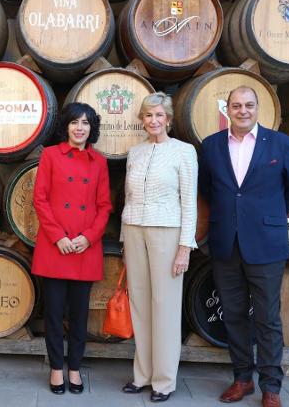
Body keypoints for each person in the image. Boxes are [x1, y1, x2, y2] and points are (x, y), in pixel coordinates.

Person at [199, 86, 289, 407]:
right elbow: (209, 189)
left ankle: (271, 386)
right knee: (233, 315)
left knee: (267, 317)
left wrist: (266, 217)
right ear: (227, 110)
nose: (242, 110)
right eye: (236, 105)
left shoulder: (280, 143)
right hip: (226, 243)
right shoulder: (211, 146)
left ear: (257, 108)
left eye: (248, 105)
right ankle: (242, 378)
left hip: (266, 244)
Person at [120, 92, 198, 403]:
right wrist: (125, 240)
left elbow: (189, 203)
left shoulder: (184, 152)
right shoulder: (135, 152)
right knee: (139, 304)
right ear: (142, 120)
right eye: (148, 115)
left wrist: (184, 248)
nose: (154, 121)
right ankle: (142, 375)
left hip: (167, 232)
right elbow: (128, 197)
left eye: (159, 116)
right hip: (134, 230)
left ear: (168, 119)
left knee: (164, 307)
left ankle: (163, 382)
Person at [32, 102, 112, 395]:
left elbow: (104, 206)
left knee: (80, 314)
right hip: (56, 246)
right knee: (53, 314)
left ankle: (75, 368)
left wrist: (88, 237)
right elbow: (40, 199)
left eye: (86, 123)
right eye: (75, 122)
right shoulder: (50, 155)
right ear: (66, 126)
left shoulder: (99, 161)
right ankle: (56, 368)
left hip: (84, 248)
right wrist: (59, 237)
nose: (80, 128)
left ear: (92, 129)